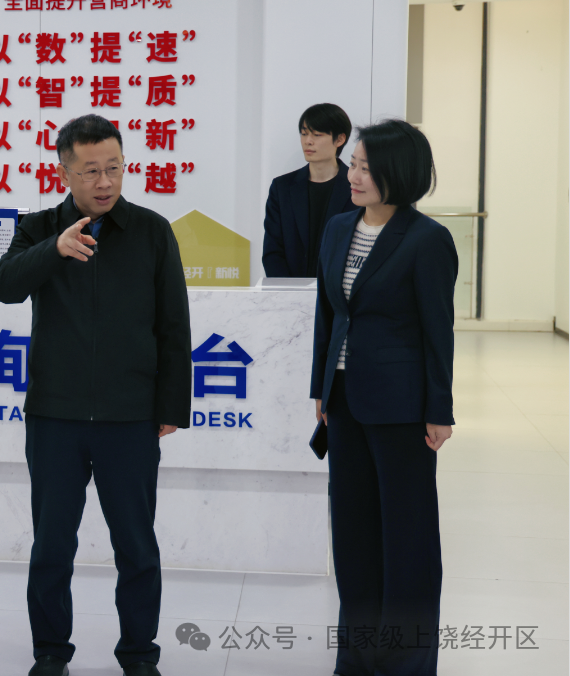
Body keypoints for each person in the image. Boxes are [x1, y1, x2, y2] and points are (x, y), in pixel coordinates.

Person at [0, 114, 191, 676]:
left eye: (114, 168)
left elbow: (174, 325)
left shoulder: (151, 230)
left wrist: (170, 406)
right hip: (55, 416)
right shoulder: (38, 228)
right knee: (52, 545)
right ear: (64, 173)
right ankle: (51, 651)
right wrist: (54, 249)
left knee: (136, 545)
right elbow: (4, 286)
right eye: (91, 171)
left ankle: (139, 653)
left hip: (131, 416)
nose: (105, 182)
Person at [310, 119, 456, 676]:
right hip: (345, 402)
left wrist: (438, 409)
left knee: (407, 541)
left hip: (402, 409)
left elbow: (437, 332)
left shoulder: (426, 239)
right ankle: (357, 658)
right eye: (354, 164)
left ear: (398, 173)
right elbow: (328, 314)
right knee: (353, 535)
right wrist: (321, 388)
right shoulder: (338, 228)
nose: (353, 174)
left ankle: (406, 664)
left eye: (366, 167)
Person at [263, 103, 359, 278]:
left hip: (338, 290)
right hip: (289, 290)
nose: (308, 141)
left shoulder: (357, 187)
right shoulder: (282, 187)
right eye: (304, 133)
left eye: (317, 134)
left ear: (339, 139)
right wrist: (287, 290)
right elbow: (272, 251)